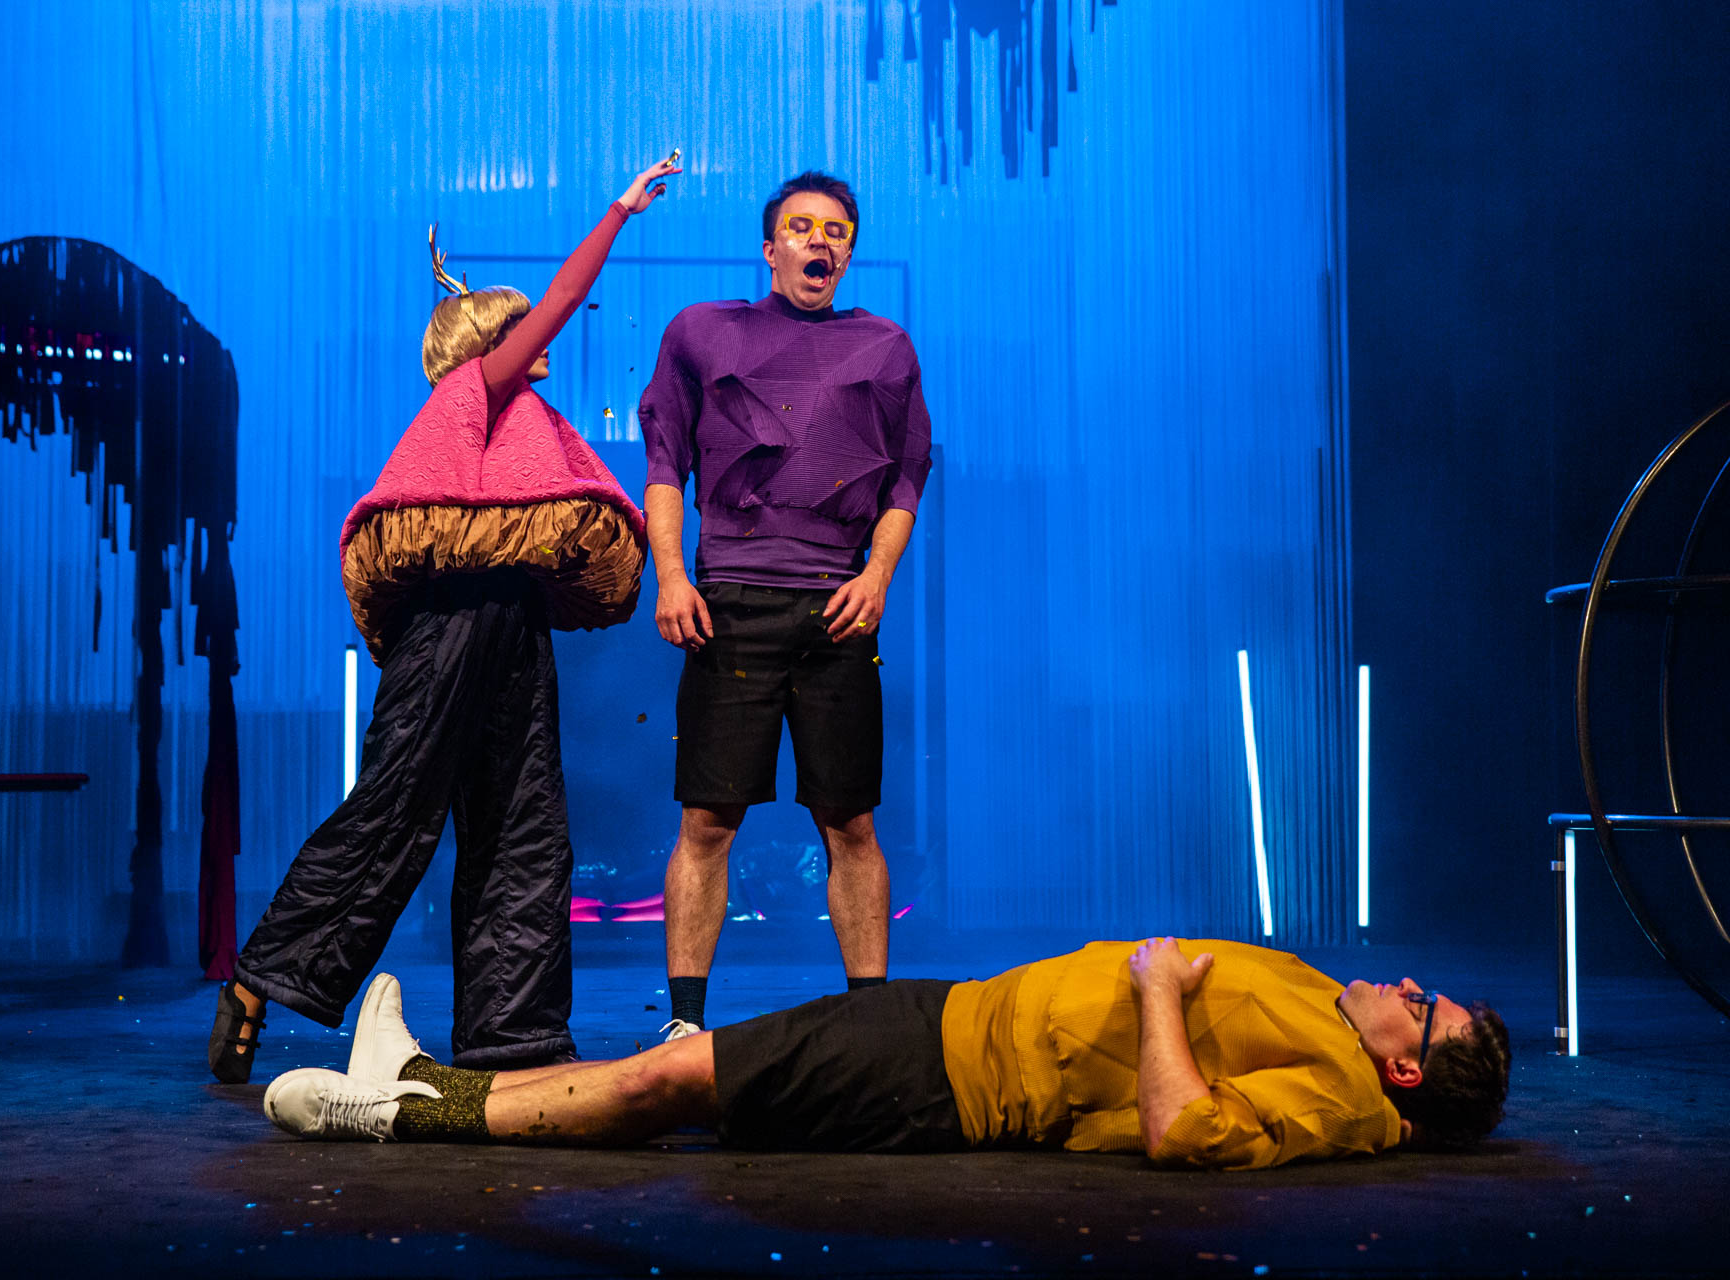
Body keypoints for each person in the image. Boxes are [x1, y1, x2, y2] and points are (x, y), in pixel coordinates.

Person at [206, 157, 681, 1083]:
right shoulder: (478, 392)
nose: (543, 337)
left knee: (524, 824)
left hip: (512, 620)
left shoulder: (520, 416)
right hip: (452, 619)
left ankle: (514, 1033)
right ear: (488, 344)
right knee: (396, 808)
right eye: (519, 329)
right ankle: (259, 978)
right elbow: (560, 302)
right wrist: (617, 213)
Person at [260, 936, 1512, 1170]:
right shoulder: (1336, 1022)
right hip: (955, 1019)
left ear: (1406, 1069)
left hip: (951, 1075)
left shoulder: (1345, 1095)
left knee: (675, 1078)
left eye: (1427, 1009)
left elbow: (1187, 1129)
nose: (1410, 986)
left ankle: (404, 1113)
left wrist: (1157, 993)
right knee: (694, 1067)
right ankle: (425, 1079)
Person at [638, 170, 933, 1038]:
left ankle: (869, 1024)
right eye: (802, 227)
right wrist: (672, 577)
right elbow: (665, 462)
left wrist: (876, 578)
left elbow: (907, 478)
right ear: (770, 249)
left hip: (836, 611)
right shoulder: (703, 331)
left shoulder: (885, 346)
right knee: (707, 820)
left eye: (836, 231)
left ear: (849, 254)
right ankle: (685, 1023)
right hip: (729, 604)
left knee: (851, 821)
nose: (819, 241)